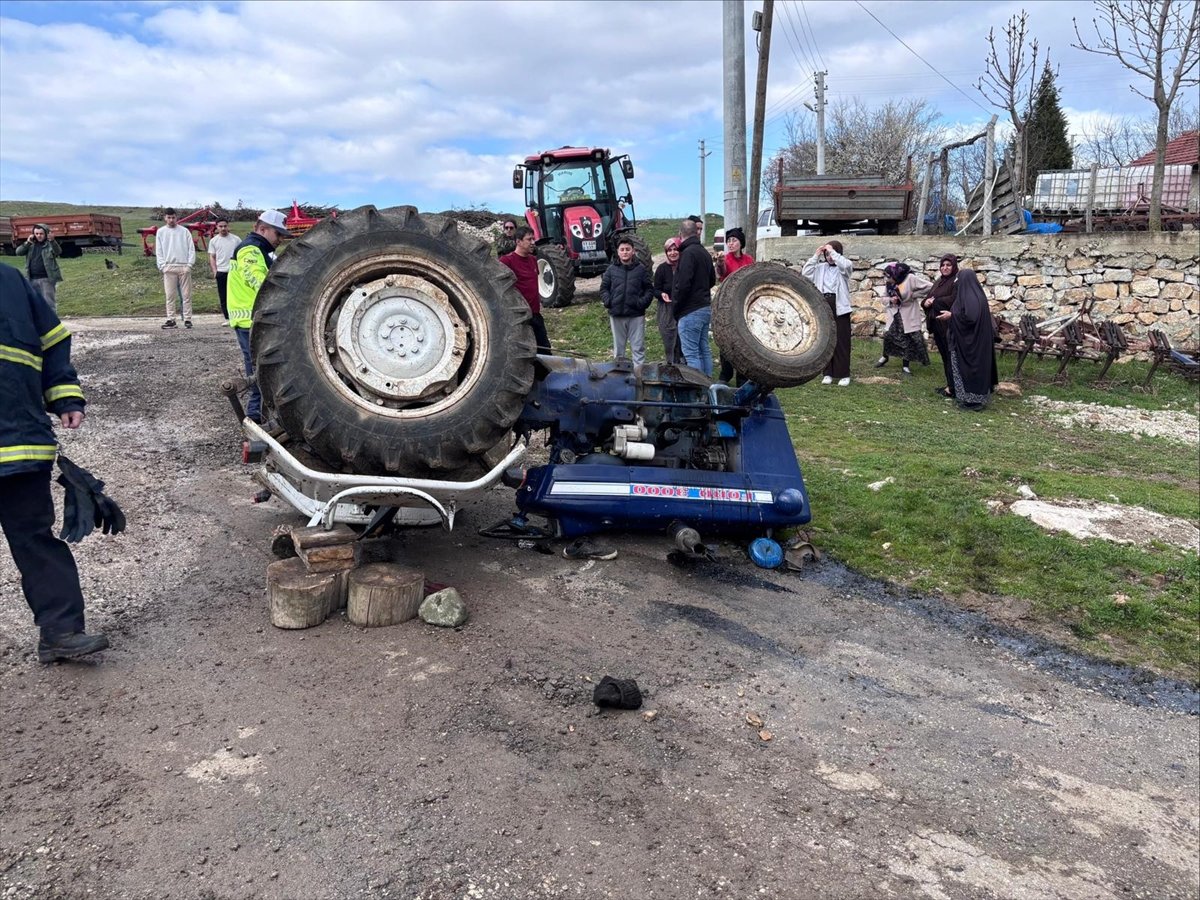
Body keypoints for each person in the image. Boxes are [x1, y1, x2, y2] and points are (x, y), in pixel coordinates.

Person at [0, 266, 109, 663]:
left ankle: (61, 632)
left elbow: (53, 340)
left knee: (36, 539)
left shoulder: (11, 282)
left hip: (19, 442)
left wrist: (65, 397)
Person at [227, 209, 292, 424]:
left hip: (252, 320)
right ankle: (255, 416)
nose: (281, 240)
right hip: (250, 321)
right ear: (262, 229)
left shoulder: (259, 250)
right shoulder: (250, 250)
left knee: (259, 368)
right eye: (278, 234)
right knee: (258, 370)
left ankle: (259, 414)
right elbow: (260, 283)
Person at [938, 269, 999, 411]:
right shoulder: (974, 295)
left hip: (970, 344)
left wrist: (951, 316)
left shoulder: (970, 297)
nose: (955, 283)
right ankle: (967, 398)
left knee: (971, 369)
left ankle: (973, 401)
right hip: (971, 342)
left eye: (958, 280)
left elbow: (970, 318)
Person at [802, 240, 853, 386]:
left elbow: (847, 265)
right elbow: (806, 273)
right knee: (826, 339)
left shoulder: (843, 269)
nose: (829, 257)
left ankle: (843, 373)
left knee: (842, 340)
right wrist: (816, 255)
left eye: (831, 254)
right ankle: (828, 372)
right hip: (823, 304)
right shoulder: (820, 267)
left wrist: (833, 252)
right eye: (827, 254)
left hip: (840, 306)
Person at [672, 217, 717, 376]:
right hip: (705, 307)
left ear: (680, 234)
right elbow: (712, 279)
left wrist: (676, 307)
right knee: (704, 349)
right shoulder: (704, 252)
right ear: (695, 232)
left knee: (691, 354)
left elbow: (683, 285)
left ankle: (698, 390)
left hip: (690, 310)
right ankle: (708, 385)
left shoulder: (688, 254)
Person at [600, 235, 654, 367]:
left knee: (638, 349)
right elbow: (604, 289)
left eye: (627, 249)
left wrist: (641, 303)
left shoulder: (641, 270)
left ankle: (638, 377)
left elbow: (649, 289)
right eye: (622, 249)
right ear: (618, 252)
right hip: (617, 315)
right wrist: (609, 301)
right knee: (619, 352)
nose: (625, 252)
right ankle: (619, 379)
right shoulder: (611, 270)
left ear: (633, 251)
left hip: (636, 316)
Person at [498, 226, 551, 354]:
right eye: (529, 239)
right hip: (519, 317)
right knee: (523, 351)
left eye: (533, 239)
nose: (533, 242)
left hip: (535, 314)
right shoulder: (507, 261)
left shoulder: (533, 260)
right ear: (518, 241)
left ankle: (544, 374)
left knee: (544, 349)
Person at [875, 261, 932, 375]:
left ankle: (906, 366)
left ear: (896, 274)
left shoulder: (910, 278)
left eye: (889, 277)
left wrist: (913, 295)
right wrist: (890, 300)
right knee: (888, 336)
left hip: (908, 313)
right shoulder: (890, 284)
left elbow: (930, 287)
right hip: (894, 314)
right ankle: (885, 356)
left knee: (907, 339)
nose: (888, 280)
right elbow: (884, 298)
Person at [715, 227, 754, 383]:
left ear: (741, 243)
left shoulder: (748, 260)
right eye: (729, 241)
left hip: (744, 305)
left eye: (734, 240)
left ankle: (742, 376)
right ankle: (725, 373)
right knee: (727, 339)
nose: (731, 244)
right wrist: (719, 263)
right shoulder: (726, 258)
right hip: (728, 305)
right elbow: (722, 273)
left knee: (744, 341)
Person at [922, 254, 959, 398]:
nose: (945, 268)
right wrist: (925, 303)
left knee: (952, 356)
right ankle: (950, 386)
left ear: (954, 266)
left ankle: (955, 388)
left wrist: (935, 301)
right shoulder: (939, 281)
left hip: (949, 326)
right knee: (945, 356)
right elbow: (928, 297)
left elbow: (955, 299)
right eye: (943, 265)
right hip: (937, 325)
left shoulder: (956, 282)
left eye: (948, 265)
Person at [155, 208, 197, 329]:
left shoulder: (184, 231)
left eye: (173, 217)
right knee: (170, 295)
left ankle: (188, 319)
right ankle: (171, 319)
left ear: (176, 217)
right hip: (169, 266)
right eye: (169, 217)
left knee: (186, 295)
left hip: (184, 266)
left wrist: (189, 265)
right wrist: (163, 266)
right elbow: (159, 250)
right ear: (165, 218)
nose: (171, 220)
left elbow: (191, 248)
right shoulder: (161, 232)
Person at [15, 224, 63, 312]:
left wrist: (52, 241)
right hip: (31, 279)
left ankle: (52, 324)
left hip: (46, 279)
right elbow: (18, 252)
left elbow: (58, 251)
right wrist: (28, 242)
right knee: (34, 303)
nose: (39, 236)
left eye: (41, 234)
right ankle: (39, 324)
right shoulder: (31, 246)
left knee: (49, 304)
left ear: (46, 234)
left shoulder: (49, 245)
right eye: (36, 234)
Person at [653, 237, 683, 364]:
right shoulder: (662, 269)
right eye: (669, 250)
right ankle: (671, 363)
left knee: (682, 337)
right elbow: (655, 289)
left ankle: (684, 364)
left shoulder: (685, 266)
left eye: (675, 249)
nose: (672, 253)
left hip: (683, 307)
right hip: (666, 308)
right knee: (669, 337)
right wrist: (662, 294)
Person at [207, 218, 240, 324]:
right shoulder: (213, 241)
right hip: (221, 271)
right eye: (220, 226)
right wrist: (215, 271)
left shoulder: (236, 240)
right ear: (217, 227)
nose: (223, 228)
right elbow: (212, 257)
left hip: (234, 271)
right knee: (224, 296)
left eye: (225, 226)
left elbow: (241, 255)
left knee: (236, 295)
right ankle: (228, 318)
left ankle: (238, 316)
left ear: (228, 226)